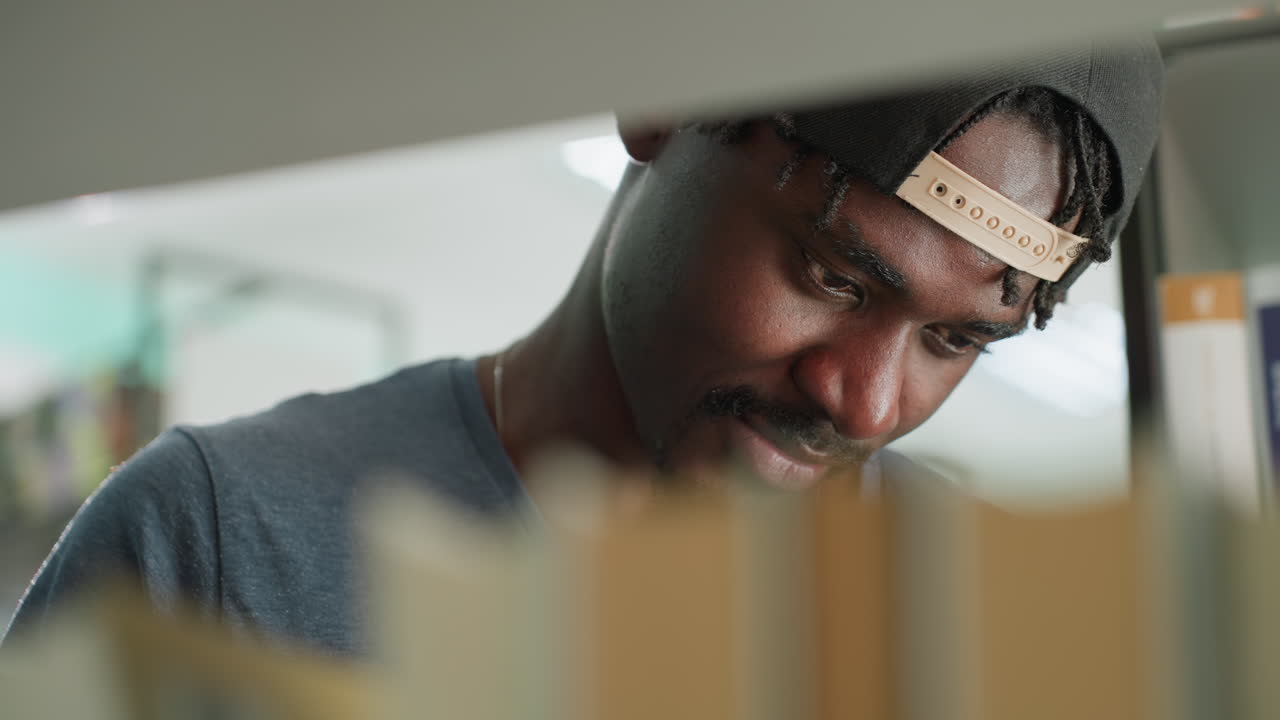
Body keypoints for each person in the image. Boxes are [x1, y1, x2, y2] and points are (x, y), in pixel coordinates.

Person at [3, 43, 1163, 655]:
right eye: (831, 276)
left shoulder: (1007, 629)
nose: (862, 405)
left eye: (956, 341)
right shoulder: (222, 549)